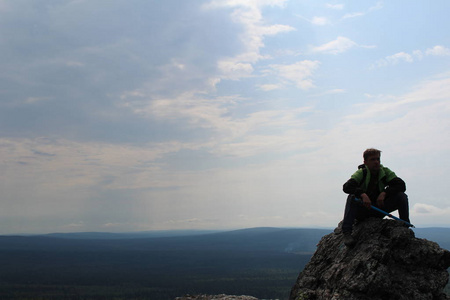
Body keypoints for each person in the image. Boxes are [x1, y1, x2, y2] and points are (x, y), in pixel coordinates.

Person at [341, 148, 410, 247]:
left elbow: (401, 185)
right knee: (351, 198)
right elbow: (346, 187)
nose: (376, 162)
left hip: (378, 207)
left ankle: (405, 225)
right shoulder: (362, 173)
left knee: (401, 196)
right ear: (365, 162)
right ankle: (347, 233)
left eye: (378, 159)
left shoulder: (385, 172)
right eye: (373, 160)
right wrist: (362, 194)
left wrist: (384, 193)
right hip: (363, 211)